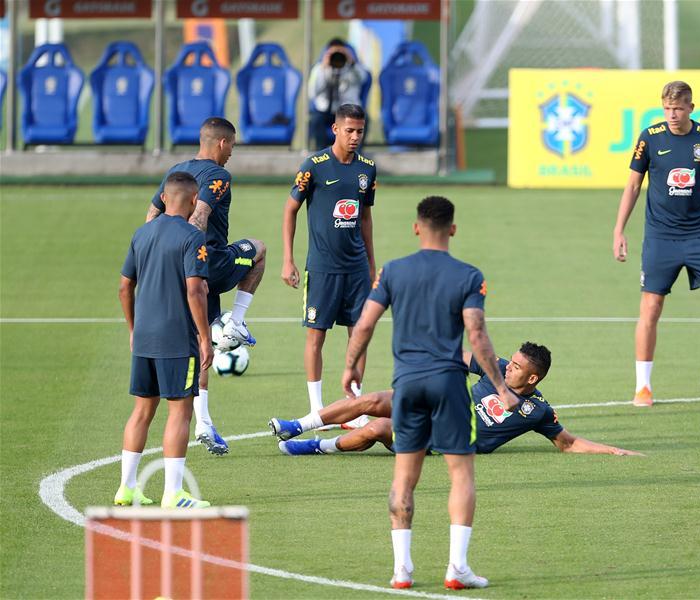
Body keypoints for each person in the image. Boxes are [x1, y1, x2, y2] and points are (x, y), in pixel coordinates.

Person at [340, 196, 517, 590]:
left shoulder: (393, 271)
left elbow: (365, 323)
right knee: (461, 474)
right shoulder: (469, 276)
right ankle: (457, 567)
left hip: (406, 384)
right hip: (448, 383)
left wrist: (352, 363)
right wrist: (501, 387)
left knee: (404, 478)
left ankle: (402, 570)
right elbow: (477, 334)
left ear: (416, 227)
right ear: (452, 229)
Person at [270, 342, 644, 458]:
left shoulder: (536, 410)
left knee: (378, 428)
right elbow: (460, 355)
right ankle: (298, 424)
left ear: (532, 378)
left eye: (515, 367)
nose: (507, 368)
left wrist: (613, 450)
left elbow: (568, 442)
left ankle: (316, 447)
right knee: (375, 399)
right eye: (509, 362)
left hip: (444, 440)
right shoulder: (494, 369)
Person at [612, 81, 700, 408]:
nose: (672, 114)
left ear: (691, 109)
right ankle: (643, 386)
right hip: (660, 237)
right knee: (651, 309)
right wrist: (619, 230)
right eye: (667, 108)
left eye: (678, 108)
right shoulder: (650, 138)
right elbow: (632, 186)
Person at [146, 117, 267, 456]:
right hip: (206, 263)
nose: (232, 154)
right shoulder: (218, 175)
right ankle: (237, 321)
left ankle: (204, 424)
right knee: (258, 250)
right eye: (232, 146)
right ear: (222, 144)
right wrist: (192, 259)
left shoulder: (177, 171)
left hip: (177, 270)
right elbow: (199, 218)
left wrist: (159, 257)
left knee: (200, 343)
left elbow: (150, 218)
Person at [116, 172, 213, 509]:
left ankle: (126, 488)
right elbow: (194, 290)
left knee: (142, 411)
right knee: (180, 412)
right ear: (191, 199)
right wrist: (205, 337)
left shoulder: (142, 233)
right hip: (176, 338)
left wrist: (132, 329)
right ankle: (173, 493)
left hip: (144, 336)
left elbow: (124, 287)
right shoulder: (192, 236)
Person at [282, 104, 375, 425]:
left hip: (357, 269)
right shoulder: (315, 166)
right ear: (335, 129)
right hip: (322, 268)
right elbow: (290, 209)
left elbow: (365, 217)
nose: (355, 137)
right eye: (349, 130)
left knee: (359, 335)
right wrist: (288, 259)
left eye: (360, 131)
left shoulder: (367, 169)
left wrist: (372, 265)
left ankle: (353, 407)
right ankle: (316, 408)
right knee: (315, 337)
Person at [307, 38, 370, 150]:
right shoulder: (318, 69)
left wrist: (351, 62)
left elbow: (364, 78)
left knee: (362, 118)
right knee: (316, 119)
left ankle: (355, 156)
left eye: (340, 52)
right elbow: (312, 92)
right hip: (325, 111)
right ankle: (321, 156)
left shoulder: (354, 68)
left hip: (348, 112)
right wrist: (324, 68)